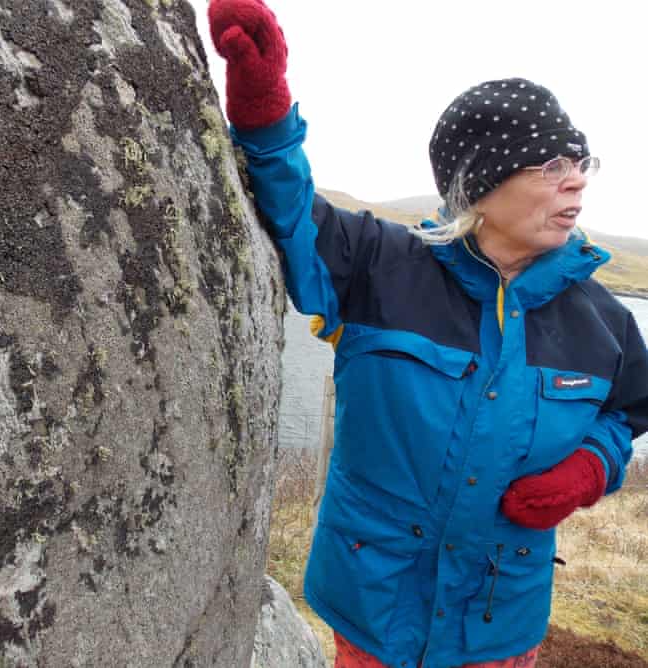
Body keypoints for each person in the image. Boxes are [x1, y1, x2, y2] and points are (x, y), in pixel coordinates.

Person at [206, 1, 648, 667]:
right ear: (482, 183)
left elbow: (631, 411)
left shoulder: (605, 322)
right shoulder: (379, 268)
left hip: (499, 623)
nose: (577, 179)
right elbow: (291, 210)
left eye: (581, 160)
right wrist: (265, 110)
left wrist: (591, 467)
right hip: (374, 609)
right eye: (552, 164)